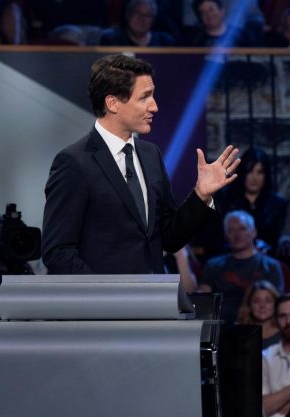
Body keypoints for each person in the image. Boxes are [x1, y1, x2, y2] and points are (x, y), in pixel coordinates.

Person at [42, 54, 240, 275]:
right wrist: (103, 295)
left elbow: (169, 238)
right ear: (113, 103)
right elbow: (57, 251)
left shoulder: (150, 155)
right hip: (105, 306)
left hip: (152, 301)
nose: (154, 106)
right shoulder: (74, 162)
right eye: (144, 97)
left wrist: (200, 195)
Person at [198, 211, 284, 323]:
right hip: (221, 325)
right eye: (231, 230)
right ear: (225, 235)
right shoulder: (213, 265)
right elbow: (203, 298)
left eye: (242, 229)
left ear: (253, 232)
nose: (237, 235)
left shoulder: (270, 266)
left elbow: (277, 303)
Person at [219, 146, 288, 253]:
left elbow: (281, 237)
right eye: (249, 172)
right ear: (242, 173)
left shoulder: (278, 204)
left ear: (266, 175)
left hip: (268, 259)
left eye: (259, 172)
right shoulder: (226, 200)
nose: (254, 178)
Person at [99, 0, 175, 47]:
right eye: (137, 13)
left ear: (153, 19)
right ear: (128, 15)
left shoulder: (164, 42)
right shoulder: (111, 40)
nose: (142, 19)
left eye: (147, 15)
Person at [189, 0, 258, 47]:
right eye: (203, 12)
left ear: (222, 11)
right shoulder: (195, 41)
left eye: (211, 9)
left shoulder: (243, 36)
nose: (208, 15)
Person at [236, 280, 281, 349]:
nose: (262, 306)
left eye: (268, 301)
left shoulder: (285, 332)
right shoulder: (238, 333)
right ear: (249, 305)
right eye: (256, 301)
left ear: (276, 304)